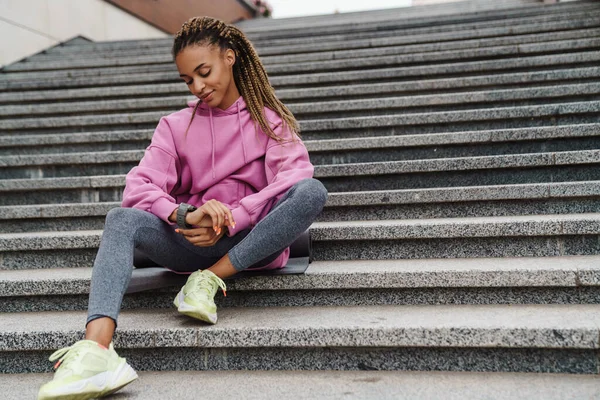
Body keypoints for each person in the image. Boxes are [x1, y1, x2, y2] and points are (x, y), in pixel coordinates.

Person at [37, 16, 328, 400]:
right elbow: (138, 186)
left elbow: (292, 178)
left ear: (230, 57)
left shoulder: (269, 122)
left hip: (252, 242)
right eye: (188, 79)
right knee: (121, 219)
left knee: (311, 190)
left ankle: (210, 278)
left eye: (204, 72)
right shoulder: (175, 126)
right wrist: (186, 214)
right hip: (190, 241)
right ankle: (96, 351)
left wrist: (234, 215)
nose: (198, 86)